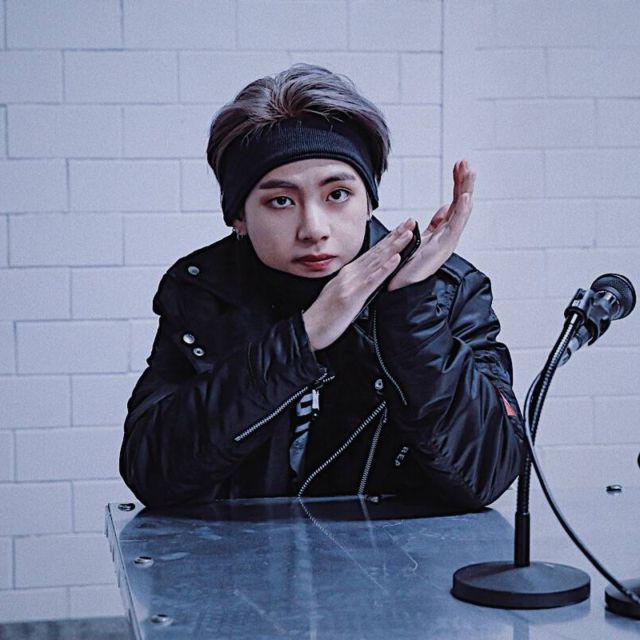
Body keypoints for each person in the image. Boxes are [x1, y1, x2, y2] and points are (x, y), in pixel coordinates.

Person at [119, 63, 524, 509]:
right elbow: (153, 473)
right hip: (239, 551)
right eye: (280, 201)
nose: (313, 229)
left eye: (337, 195)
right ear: (239, 218)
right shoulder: (205, 291)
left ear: (368, 201)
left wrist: (410, 310)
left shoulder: (447, 290)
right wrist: (304, 337)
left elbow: (486, 476)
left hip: (394, 552)